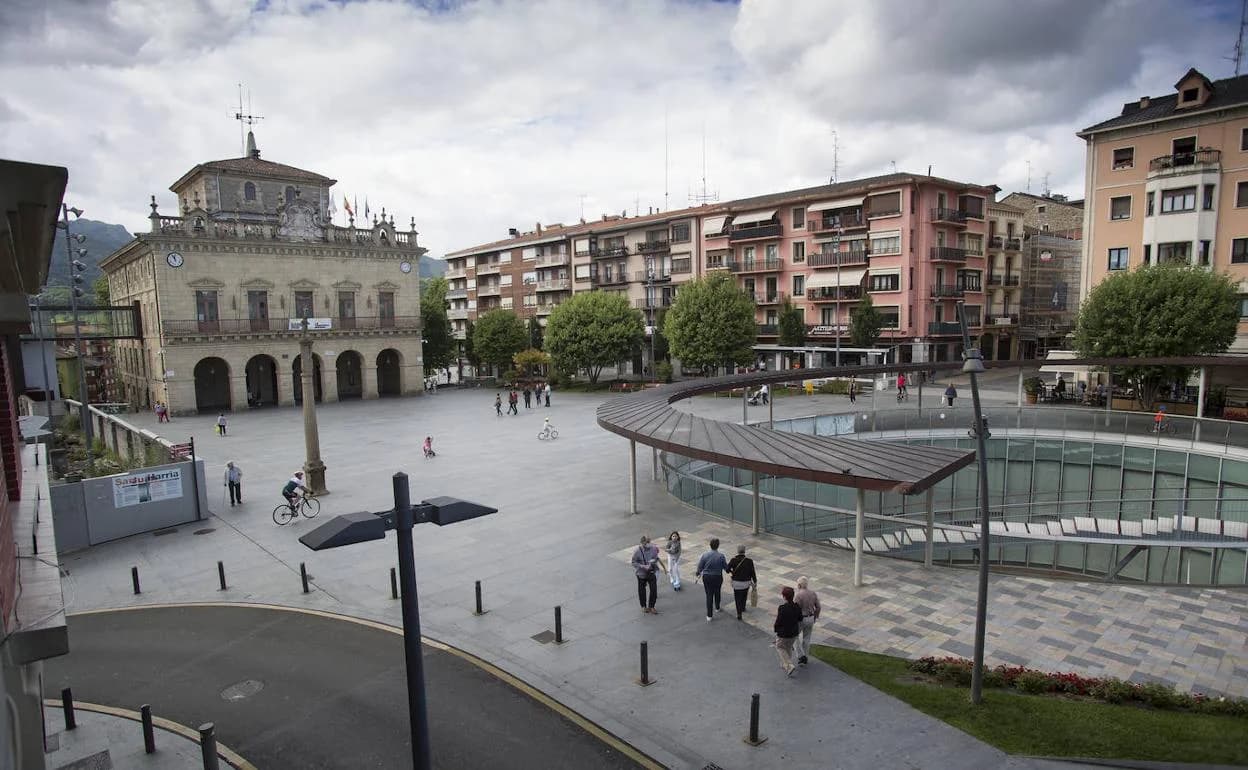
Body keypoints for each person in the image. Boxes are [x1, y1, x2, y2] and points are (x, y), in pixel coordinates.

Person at [695, 538, 728, 621]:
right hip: (717, 577)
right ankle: (717, 607)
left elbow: (700, 566)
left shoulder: (705, 555)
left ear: (710, 545)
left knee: (709, 595)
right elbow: (726, 567)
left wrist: (698, 573)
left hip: (707, 577)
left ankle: (709, 615)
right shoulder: (721, 556)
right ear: (718, 546)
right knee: (717, 592)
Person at [773, 586, 803, 677]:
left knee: (779, 647)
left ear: (784, 596)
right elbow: (800, 618)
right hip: (794, 633)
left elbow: (779, 621)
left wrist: (776, 629)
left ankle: (789, 665)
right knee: (788, 647)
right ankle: (785, 664)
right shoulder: (796, 606)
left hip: (783, 633)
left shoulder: (782, 608)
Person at [793, 576, 821, 666]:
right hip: (811, 618)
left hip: (802, 619)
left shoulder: (798, 595)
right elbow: (818, 607)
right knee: (807, 638)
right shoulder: (813, 593)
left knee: (794, 636)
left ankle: (801, 656)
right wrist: (815, 617)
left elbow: (795, 609)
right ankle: (806, 656)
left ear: (799, 585)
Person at [726, 545, 758, 620]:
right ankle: (743, 607)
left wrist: (732, 572)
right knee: (744, 595)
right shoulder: (749, 561)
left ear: (737, 551)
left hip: (736, 583)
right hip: (746, 583)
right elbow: (753, 572)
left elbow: (727, 570)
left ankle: (739, 613)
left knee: (737, 597)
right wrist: (755, 581)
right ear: (744, 551)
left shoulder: (733, 560)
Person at [631, 535, 662, 614]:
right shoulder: (637, 551)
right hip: (641, 573)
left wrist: (653, 561)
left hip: (651, 571)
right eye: (646, 543)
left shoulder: (653, 549)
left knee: (653, 589)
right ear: (642, 543)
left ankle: (652, 606)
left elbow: (656, 558)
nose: (648, 544)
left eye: (649, 542)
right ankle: (643, 606)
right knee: (642, 590)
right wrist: (643, 566)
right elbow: (633, 562)